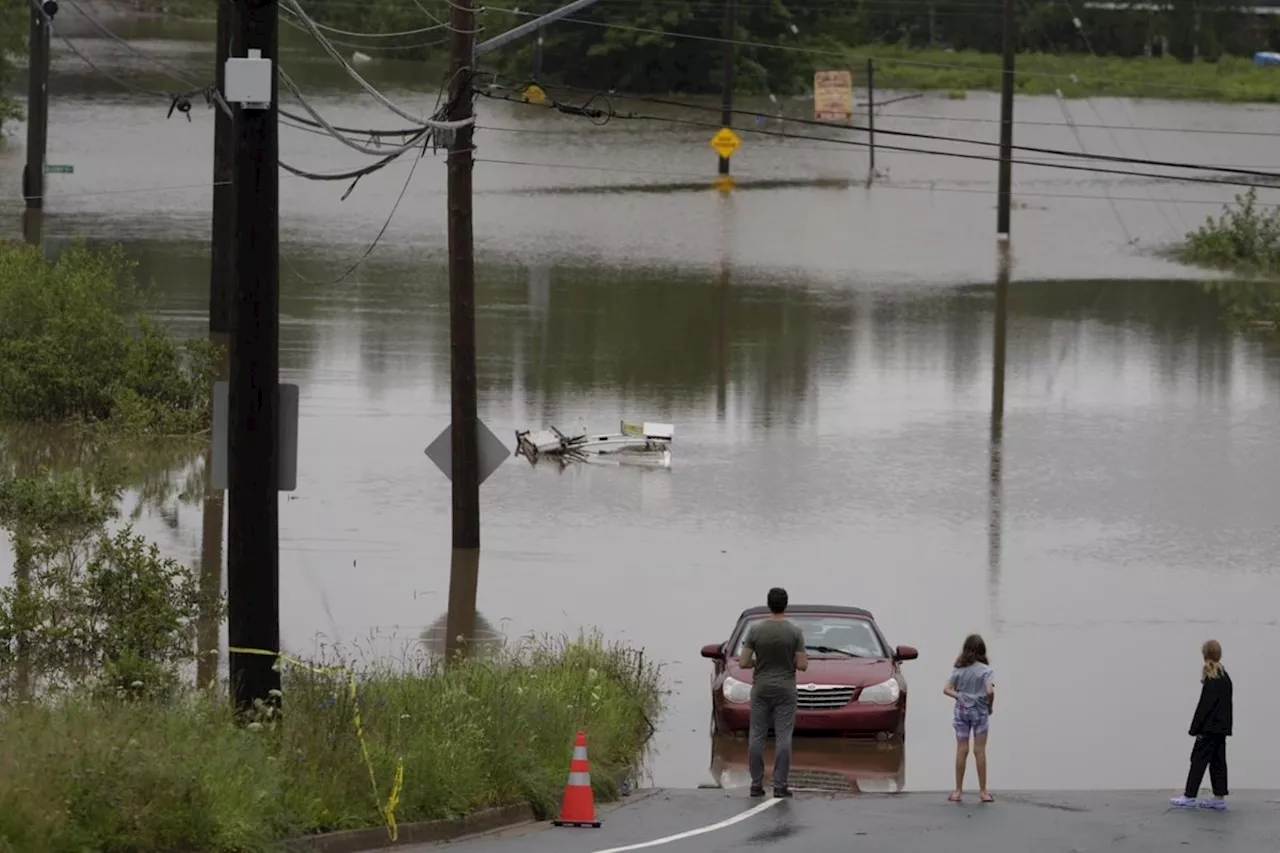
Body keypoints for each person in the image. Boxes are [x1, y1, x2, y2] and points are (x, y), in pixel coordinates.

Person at [739, 587, 808, 798]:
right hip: (786, 689)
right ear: (785, 605)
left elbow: (743, 662)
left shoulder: (755, 631)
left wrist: (758, 662)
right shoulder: (795, 632)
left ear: (768, 604)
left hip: (761, 688)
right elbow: (803, 665)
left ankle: (756, 784)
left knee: (757, 735)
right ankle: (780, 785)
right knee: (783, 736)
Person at [1171, 639, 1233, 810]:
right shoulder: (1225, 675)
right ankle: (1219, 797)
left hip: (1209, 728)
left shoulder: (1211, 676)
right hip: (1222, 728)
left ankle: (1189, 795)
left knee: (1197, 760)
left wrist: (1194, 728)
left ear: (1205, 655)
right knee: (1218, 761)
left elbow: (1205, 705)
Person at [944, 633, 995, 804]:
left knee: (962, 749)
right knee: (979, 751)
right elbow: (989, 691)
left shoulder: (958, 669)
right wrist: (990, 706)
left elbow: (946, 689)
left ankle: (958, 791)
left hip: (962, 711)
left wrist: (959, 696)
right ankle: (983, 792)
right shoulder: (986, 671)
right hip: (980, 711)